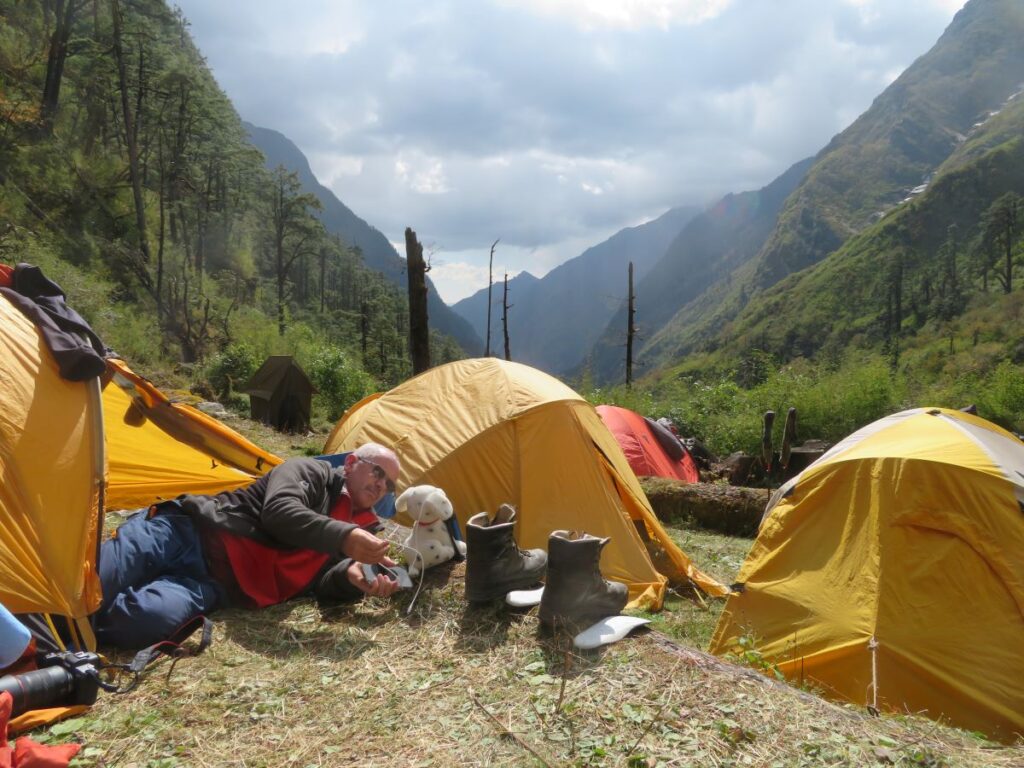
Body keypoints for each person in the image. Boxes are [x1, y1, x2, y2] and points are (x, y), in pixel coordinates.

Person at [94, 443, 402, 649]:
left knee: (142, 621)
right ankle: (50, 626)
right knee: (95, 580)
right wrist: (345, 538)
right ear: (350, 463)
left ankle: (70, 643)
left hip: (211, 585)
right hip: (186, 532)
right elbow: (280, 512)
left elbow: (319, 582)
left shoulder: (368, 529)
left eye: (388, 484)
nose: (380, 486)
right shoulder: (309, 472)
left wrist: (351, 576)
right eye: (377, 472)